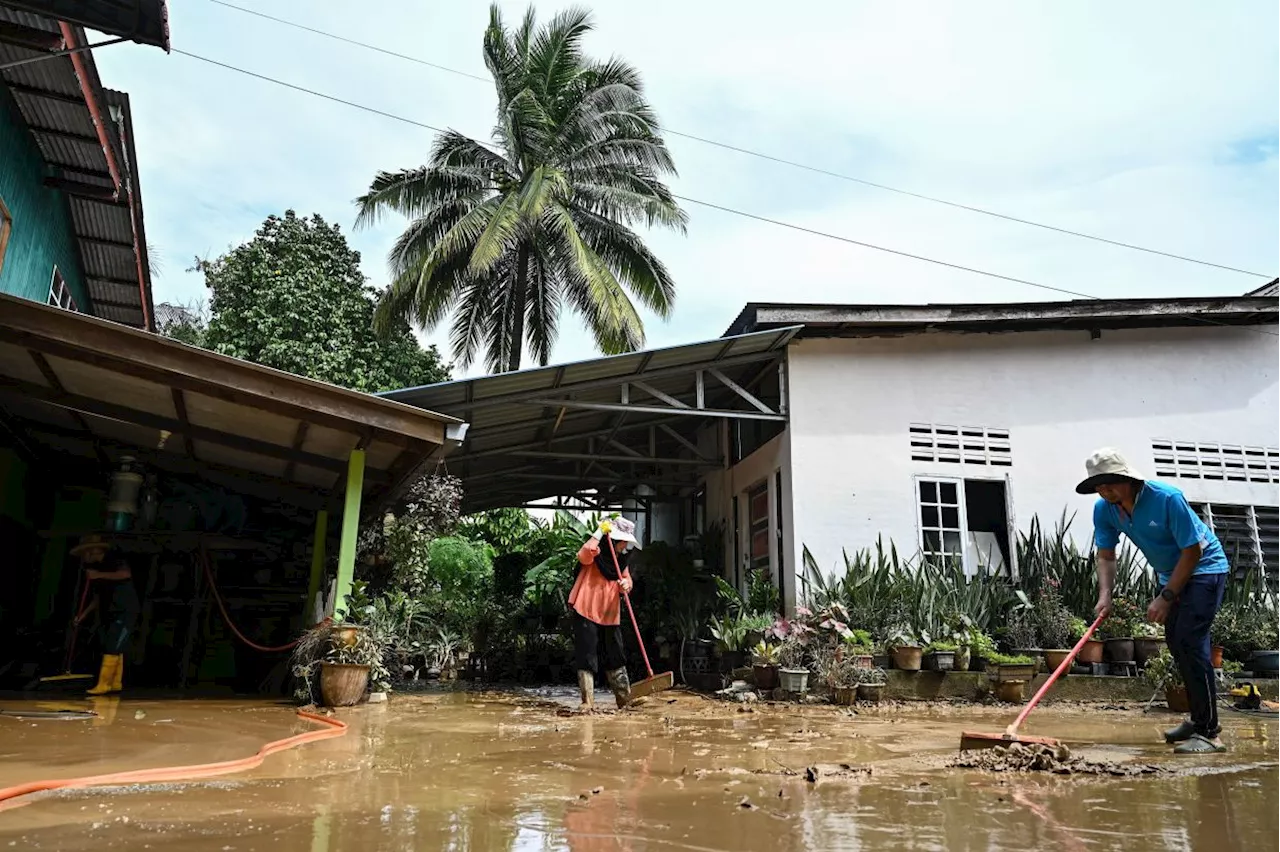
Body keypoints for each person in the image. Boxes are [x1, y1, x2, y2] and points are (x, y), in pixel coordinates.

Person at [1077, 448, 1230, 754]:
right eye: (1099, 485)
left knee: (1190, 641)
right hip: (1169, 575)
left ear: (1129, 479)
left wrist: (1167, 596)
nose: (1105, 490)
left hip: (1205, 570)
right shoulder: (1104, 509)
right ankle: (1199, 720)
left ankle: (1210, 733)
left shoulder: (1166, 498)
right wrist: (1104, 594)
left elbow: (1192, 551)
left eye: (1111, 483)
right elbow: (1106, 554)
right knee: (1177, 643)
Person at [568, 516, 641, 713]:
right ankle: (588, 701)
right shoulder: (596, 553)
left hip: (609, 613)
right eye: (623, 541)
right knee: (587, 654)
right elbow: (583, 555)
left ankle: (624, 700)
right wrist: (601, 530)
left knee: (615, 654)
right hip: (587, 609)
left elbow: (627, 581)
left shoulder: (620, 561)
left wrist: (626, 585)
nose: (625, 545)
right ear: (615, 540)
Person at [70, 534, 140, 696]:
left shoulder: (113, 560)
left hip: (125, 609)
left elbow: (125, 574)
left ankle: (104, 684)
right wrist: (82, 615)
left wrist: (98, 575)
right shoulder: (98, 569)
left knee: (113, 644)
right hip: (109, 610)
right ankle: (115, 683)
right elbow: (97, 598)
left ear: (95, 550)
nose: (85, 557)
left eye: (86, 552)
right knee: (112, 643)